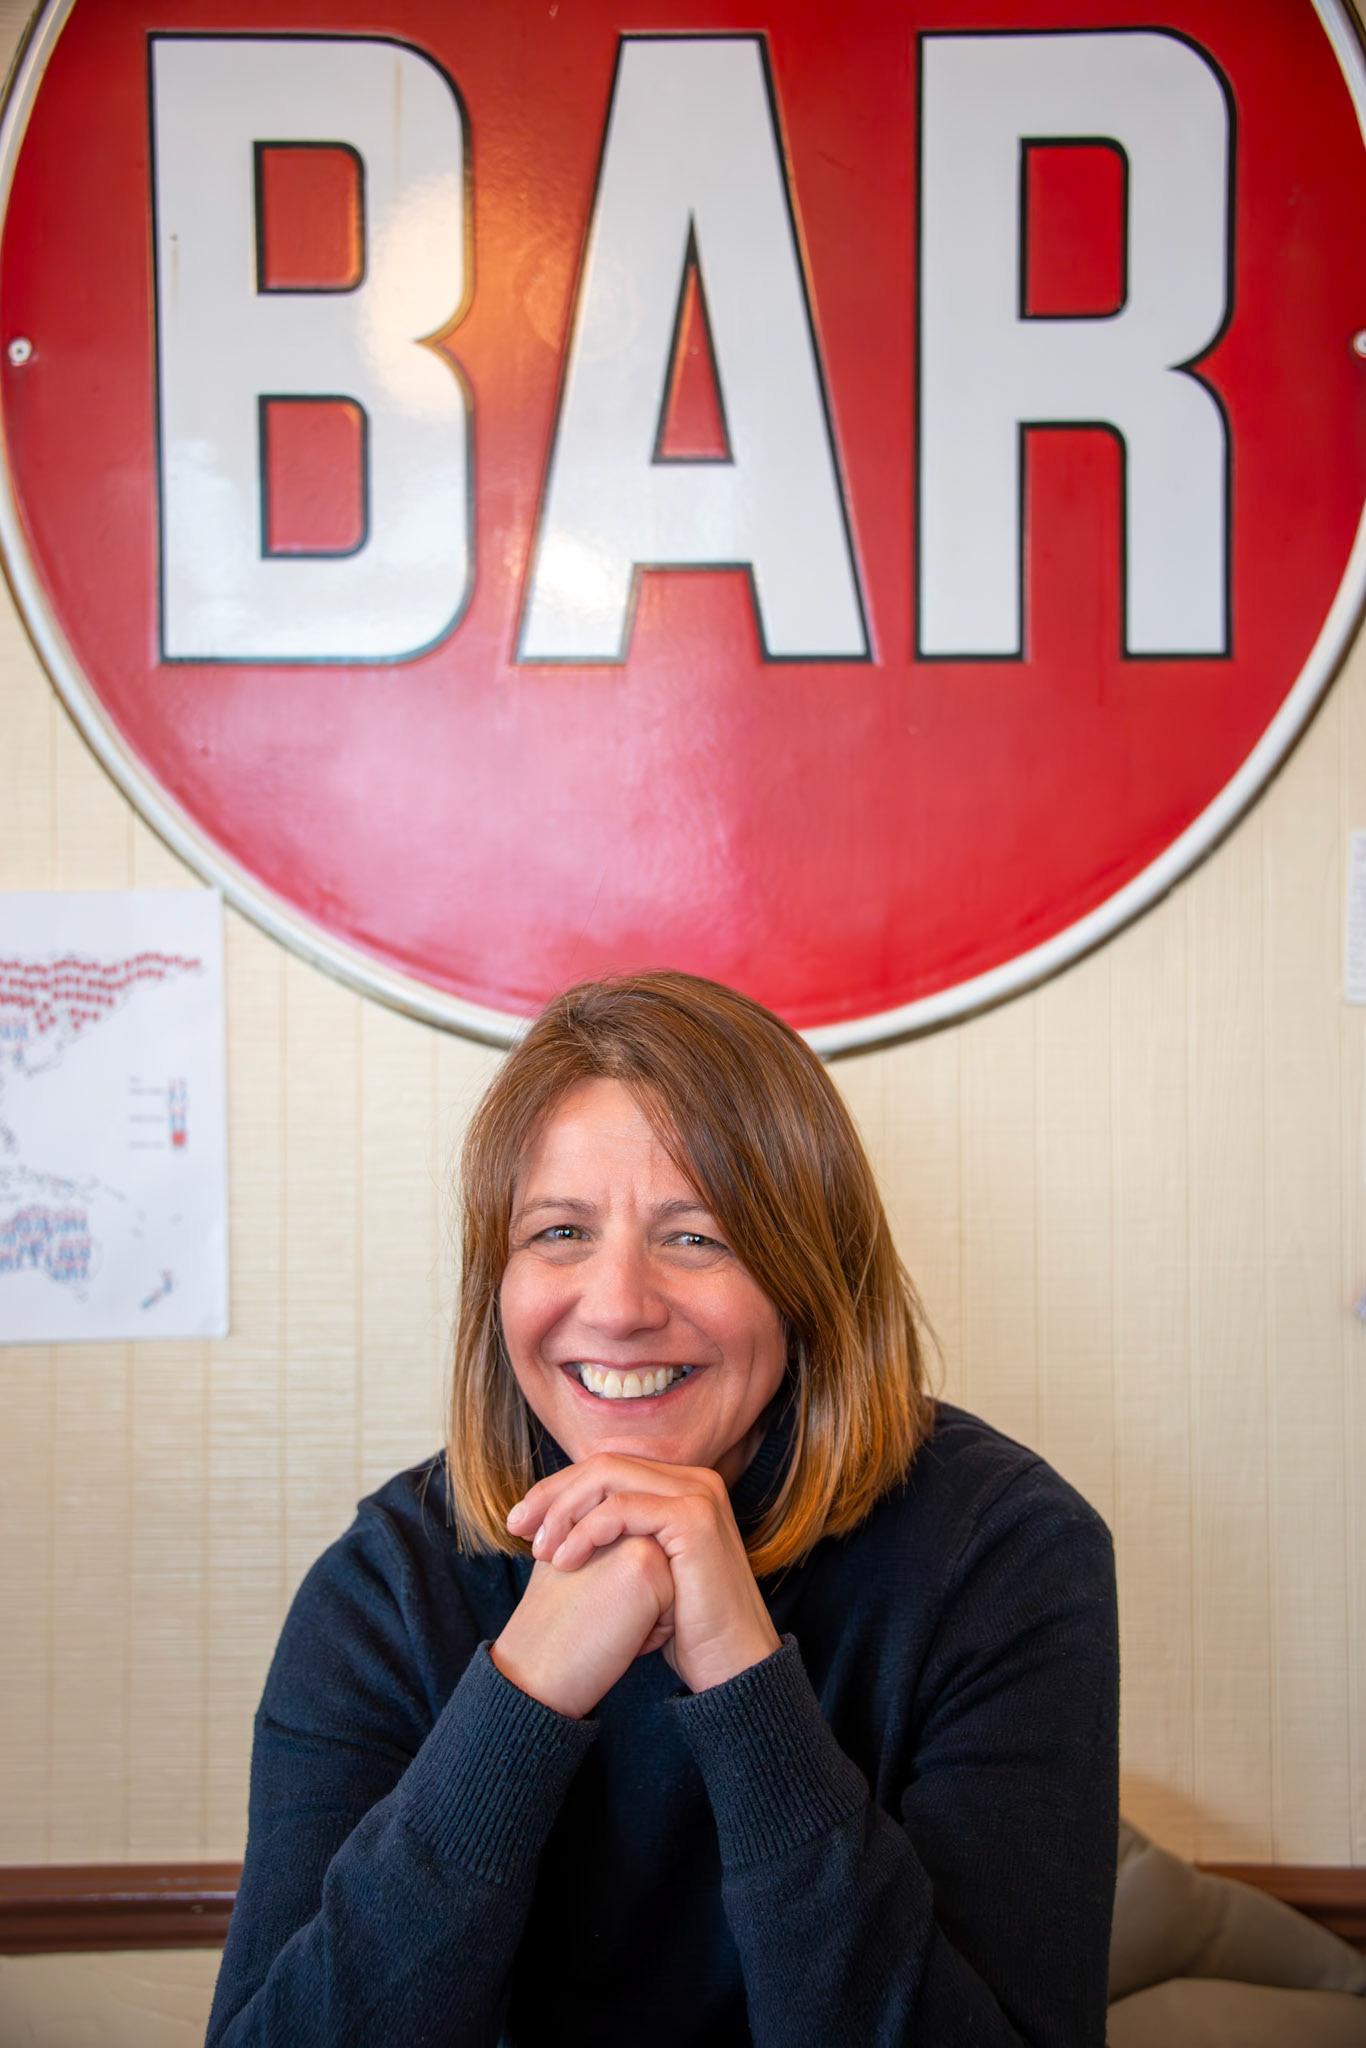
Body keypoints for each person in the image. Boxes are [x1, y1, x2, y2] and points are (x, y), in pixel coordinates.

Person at [207, 971, 1119, 2048]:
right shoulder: (385, 1582)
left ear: (807, 1278)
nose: (619, 1305)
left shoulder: (1005, 1552)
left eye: (696, 1236)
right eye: (558, 1231)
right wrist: (521, 1694)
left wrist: (743, 1679)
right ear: (495, 1281)